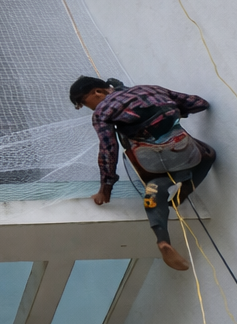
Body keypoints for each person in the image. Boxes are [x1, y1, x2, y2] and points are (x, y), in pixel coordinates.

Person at [69, 76, 214, 272]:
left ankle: (162, 240)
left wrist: (106, 188)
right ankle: (185, 189)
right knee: (209, 155)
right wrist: (171, 112)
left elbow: (108, 150)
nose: (90, 108)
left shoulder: (102, 112)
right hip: (183, 149)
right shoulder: (150, 89)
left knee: (155, 186)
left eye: (86, 103)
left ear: (98, 92)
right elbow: (199, 104)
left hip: (149, 160)